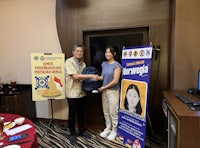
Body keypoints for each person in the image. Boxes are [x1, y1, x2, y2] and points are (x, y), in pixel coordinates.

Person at [65, 44, 98, 144]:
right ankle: (72, 133)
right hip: (72, 93)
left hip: (82, 92)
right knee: (72, 114)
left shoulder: (83, 64)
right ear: (73, 52)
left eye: (81, 51)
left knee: (81, 113)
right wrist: (91, 75)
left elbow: (84, 78)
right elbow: (75, 77)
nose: (79, 53)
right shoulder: (69, 62)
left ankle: (82, 131)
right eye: (77, 51)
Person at [97, 46, 122, 141]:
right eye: (106, 52)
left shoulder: (117, 65)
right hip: (104, 91)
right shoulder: (104, 64)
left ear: (114, 54)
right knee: (106, 111)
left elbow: (115, 81)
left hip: (113, 91)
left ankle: (114, 131)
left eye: (109, 52)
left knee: (113, 112)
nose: (107, 54)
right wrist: (96, 77)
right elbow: (103, 77)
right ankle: (108, 128)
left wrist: (104, 87)